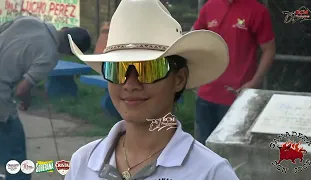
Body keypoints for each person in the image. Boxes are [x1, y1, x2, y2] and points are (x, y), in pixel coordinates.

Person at [65, 0, 239, 179]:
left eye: (149, 69)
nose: (130, 84)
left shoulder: (210, 173)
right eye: (117, 70)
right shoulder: (82, 163)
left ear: (179, 79)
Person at [0, 16, 91, 180]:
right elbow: (22, 90)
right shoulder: (49, 55)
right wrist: (26, 102)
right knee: (16, 152)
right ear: (70, 52)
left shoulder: (29, 21)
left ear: (64, 29)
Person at [192, 0, 276, 145]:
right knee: (203, 150)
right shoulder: (210, 6)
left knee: (231, 153)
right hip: (206, 96)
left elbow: (269, 50)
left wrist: (254, 82)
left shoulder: (257, 10)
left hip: (237, 98)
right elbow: (193, 39)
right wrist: (194, 75)